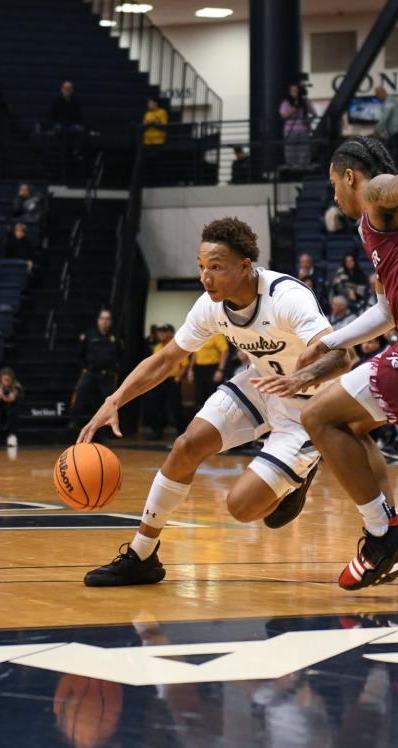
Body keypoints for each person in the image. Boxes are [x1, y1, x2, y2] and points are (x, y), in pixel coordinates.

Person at [254, 137, 398, 591]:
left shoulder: (379, 202)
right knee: (349, 427)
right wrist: (331, 342)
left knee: (317, 415)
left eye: (333, 184)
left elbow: (392, 185)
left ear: (349, 176)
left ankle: (386, 534)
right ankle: (387, 537)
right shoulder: (372, 231)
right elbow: (388, 313)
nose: (333, 195)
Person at [77, 218, 351, 587]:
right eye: (201, 267)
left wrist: (297, 378)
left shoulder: (287, 297)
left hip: (308, 405)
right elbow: (165, 360)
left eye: (216, 268)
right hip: (262, 384)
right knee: (187, 445)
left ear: (244, 266)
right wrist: (115, 400)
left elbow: (340, 358)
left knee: (243, 508)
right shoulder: (210, 306)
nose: (206, 277)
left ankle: (299, 477)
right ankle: (142, 555)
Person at [72, 308, 121, 420]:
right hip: (90, 372)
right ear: (98, 320)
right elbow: (79, 353)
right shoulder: (89, 335)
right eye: (102, 318)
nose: (105, 321)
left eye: (107, 319)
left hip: (107, 375)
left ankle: (104, 433)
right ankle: (73, 422)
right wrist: (85, 367)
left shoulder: (115, 337)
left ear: (111, 322)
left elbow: (120, 354)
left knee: (106, 403)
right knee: (80, 395)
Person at [144, 324, 187, 440]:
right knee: (156, 406)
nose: (160, 334)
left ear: (171, 333)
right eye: (159, 332)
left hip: (172, 380)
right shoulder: (157, 347)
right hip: (159, 381)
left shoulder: (177, 346)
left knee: (176, 407)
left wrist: (178, 378)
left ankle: (182, 432)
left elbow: (184, 365)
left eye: (164, 331)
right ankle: (157, 432)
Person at [186, 331, 229, 412]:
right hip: (198, 369)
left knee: (212, 396)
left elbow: (224, 351)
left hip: (212, 368)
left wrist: (220, 370)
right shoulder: (199, 335)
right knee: (199, 396)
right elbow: (194, 354)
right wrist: (190, 369)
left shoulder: (216, 334)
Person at [280, 83, 317, 169]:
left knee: (304, 149)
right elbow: (283, 116)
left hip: (303, 129)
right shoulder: (286, 102)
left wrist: (308, 122)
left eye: (296, 91)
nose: (294, 93)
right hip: (290, 130)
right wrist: (294, 109)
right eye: (292, 91)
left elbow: (314, 114)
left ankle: (303, 167)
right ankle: (292, 167)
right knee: (290, 149)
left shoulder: (305, 102)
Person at [373, 87, 398, 168]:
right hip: (397, 131)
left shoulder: (389, 101)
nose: (377, 97)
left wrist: (377, 129)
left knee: (397, 156)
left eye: (377, 95)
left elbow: (386, 116)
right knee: (397, 155)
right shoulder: (389, 101)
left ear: (382, 93)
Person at [0, 368, 23, 448]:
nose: (6, 381)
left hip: (11, 408)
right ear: (0, 379)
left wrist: (9, 398)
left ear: (12, 379)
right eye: (5, 379)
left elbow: (17, 398)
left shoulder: (17, 387)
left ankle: (12, 436)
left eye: (8, 379)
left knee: (15, 408)